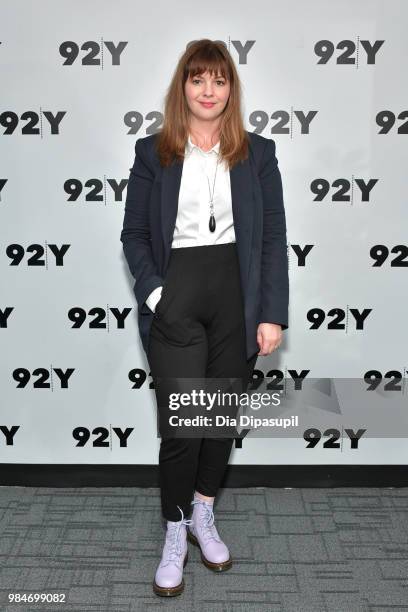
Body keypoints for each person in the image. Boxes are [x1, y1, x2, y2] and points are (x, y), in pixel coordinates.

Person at [120, 39, 289, 597]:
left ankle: (202, 514)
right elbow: (135, 236)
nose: (208, 90)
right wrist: (155, 296)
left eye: (219, 80)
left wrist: (270, 313)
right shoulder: (154, 153)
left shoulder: (257, 153)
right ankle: (173, 530)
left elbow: (271, 241)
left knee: (217, 423)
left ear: (230, 90)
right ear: (183, 88)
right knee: (181, 430)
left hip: (235, 299)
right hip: (178, 298)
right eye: (198, 80)